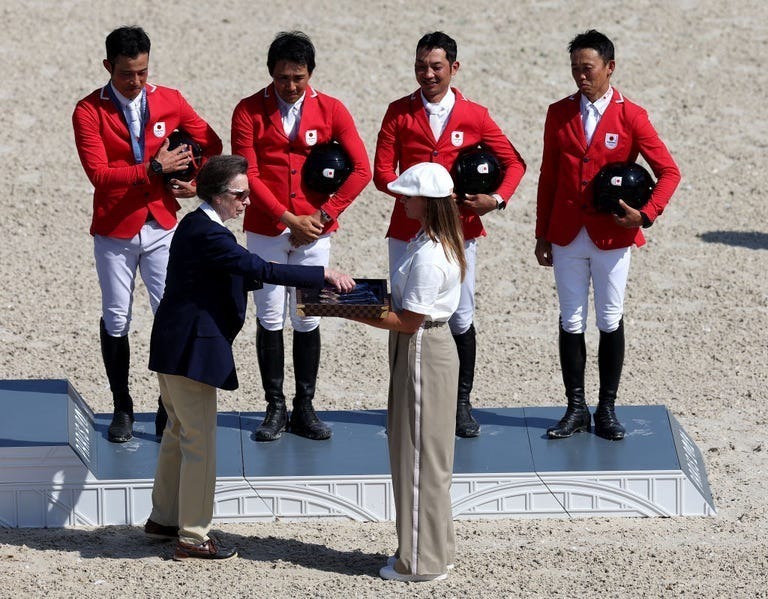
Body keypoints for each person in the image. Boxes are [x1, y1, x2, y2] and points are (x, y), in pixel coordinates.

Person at [143, 155, 355, 561]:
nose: (247, 201)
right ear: (218, 195)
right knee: (199, 442)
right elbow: (256, 266)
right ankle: (192, 537)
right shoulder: (210, 234)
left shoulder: (198, 225)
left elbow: (241, 270)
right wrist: (320, 274)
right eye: (240, 195)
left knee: (176, 433)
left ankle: (163, 519)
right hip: (191, 349)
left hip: (173, 345)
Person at [72, 26, 223, 443]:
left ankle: (166, 405)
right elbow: (99, 175)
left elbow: (211, 141)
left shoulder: (169, 99)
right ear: (108, 67)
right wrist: (154, 169)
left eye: (142, 72)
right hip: (115, 228)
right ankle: (122, 406)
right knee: (117, 318)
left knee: (171, 314)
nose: (136, 81)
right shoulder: (88, 111)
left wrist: (197, 183)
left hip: (161, 223)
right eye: (126, 74)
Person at [374, 31, 526, 438]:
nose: (428, 74)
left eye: (436, 66)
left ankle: (460, 403)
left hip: (461, 230)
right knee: (406, 310)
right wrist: (419, 195)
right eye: (421, 66)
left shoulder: (475, 115)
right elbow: (382, 173)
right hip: (407, 229)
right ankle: (404, 397)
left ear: (453, 68)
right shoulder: (398, 112)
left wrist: (496, 200)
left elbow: (514, 163)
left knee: (459, 315)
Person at [535, 29, 681, 440]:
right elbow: (549, 176)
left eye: (588, 69)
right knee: (571, 320)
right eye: (575, 69)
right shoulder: (558, 112)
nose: (581, 77)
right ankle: (576, 407)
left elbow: (669, 171)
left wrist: (646, 214)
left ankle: (608, 409)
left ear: (609, 68)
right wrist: (541, 233)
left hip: (612, 236)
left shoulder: (631, 115)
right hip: (566, 232)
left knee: (610, 319)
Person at [231, 31, 371, 442]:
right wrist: (287, 216)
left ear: (310, 73)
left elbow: (361, 170)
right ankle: (274, 407)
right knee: (270, 316)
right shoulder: (248, 111)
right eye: (282, 78)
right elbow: (248, 174)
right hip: (267, 229)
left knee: (308, 316)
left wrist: (323, 215)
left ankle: (305, 406)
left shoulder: (332, 109)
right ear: (270, 73)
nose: (290, 87)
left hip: (315, 230)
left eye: (298, 77)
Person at [346, 162, 464, 582]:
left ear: (427, 203)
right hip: (425, 346)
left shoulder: (430, 255)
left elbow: (409, 320)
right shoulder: (431, 240)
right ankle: (436, 548)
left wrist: (350, 310)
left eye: (409, 195)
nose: (402, 200)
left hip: (421, 348)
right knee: (428, 455)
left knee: (416, 456)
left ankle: (419, 563)